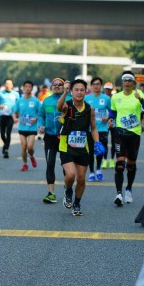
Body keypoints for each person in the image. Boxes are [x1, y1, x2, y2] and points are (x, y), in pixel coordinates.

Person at [57, 79, 104, 216]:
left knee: (82, 178)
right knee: (71, 174)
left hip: (83, 147)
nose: (79, 92)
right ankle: (68, 190)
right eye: (76, 90)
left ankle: (77, 204)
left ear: (85, 91)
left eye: (82, 90)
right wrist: (64, 93)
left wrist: (97, 142)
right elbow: (59, 107)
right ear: (72, 91)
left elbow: (93, 128)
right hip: (66, 146)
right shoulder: (67, 105)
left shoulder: (90, 109)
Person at [108, 71, 144, 206]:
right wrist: (110, 119)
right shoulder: (116, 97)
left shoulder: (140, 94)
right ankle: (119, 194)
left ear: (134, 83)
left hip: (134, 134)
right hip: (120, 133)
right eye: (125, 80)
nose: (127, 82)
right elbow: (113, 111)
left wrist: (141, 100)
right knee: (120, 164)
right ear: (122, 83)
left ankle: (129, 190)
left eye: (130, 80)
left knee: (131, 165)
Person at [38, 78, 65, 203]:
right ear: (51, 86)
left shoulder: (69, 99)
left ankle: (67, 190)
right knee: (50, 164)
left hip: (65, 137)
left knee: (66, 165)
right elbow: (41, 115)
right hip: (49, 136)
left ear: (64, 86)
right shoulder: (47, 101)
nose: (57, 86)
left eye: (60, 84)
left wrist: (64, 119)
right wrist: (41, 125)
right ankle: (51, 193)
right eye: (54, 84)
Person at [84, 77, 111, 181]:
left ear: (101, 86)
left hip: (102, 129)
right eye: (94, 84)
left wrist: (108, 117)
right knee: (90, 152)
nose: (96, 86)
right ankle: (91, 172)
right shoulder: (86, 98)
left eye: (98, 84)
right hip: (90, 129)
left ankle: (98, 169)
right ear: (91, 86)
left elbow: (112, 111)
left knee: (100, 150)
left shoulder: (106, 98)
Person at [13, 80, 41, 172]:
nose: (28, 88)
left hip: (32, 127)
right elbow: (14, 112)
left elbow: (41, 113)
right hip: (22, 127)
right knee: (24, 147)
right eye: (26, 86)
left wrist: (36, 118)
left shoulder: (36, 101)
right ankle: (25, 164)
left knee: (30, 147)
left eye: (30, 87)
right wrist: (14, 118)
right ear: (23, 88)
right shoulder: (19, 101)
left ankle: (31, 156)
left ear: (32, 88)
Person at [0, 79, 20, 159]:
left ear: (12, 85)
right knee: (2, 134)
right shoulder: (0, 94)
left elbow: (18, 104)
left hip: (11, 116)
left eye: (9, 84)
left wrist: (17, 116)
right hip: (2, 115)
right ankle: (5, 144)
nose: (8, 85)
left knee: (8, 133)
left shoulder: (16, 94)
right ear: (4, 85)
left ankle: (6, 150)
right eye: (6, 84)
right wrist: (0, 106)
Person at [102, 82, 116, 169]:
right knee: (105, 142)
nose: (108, 90)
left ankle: (112, 160)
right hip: (104, 123)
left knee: (114, 142)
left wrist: (109, 118)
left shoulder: (115, 98)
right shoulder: (102, 98)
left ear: (112, 89)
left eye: (109, 89)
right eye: (106, 89)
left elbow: (116, 111)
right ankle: (105, 160)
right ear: (104, 89)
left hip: (114, 122)